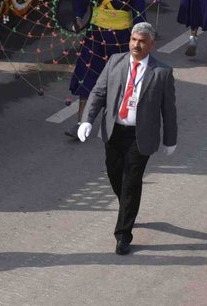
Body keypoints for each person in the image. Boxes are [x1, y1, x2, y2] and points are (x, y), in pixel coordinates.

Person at [76, 22, 179, 255]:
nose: (136, 44)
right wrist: (87, 120)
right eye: (133, 39)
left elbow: (168, 110)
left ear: (151, 45)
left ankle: (123, 234)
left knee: (132, 180)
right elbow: (99, 92)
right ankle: (128, 207)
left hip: (140, 136)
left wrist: (170, 139)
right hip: (114, 130)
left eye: (142, 41)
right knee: (114, 173)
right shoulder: (115, 62)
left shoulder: (161, 73)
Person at [68, 0, 147, 121]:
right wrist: (79, 18)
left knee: (119, 80)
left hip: (120, 39)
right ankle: (81, 122)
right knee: (86, 78)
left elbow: (139, 11)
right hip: (95, 37)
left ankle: (118, 119)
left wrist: (140, 38)